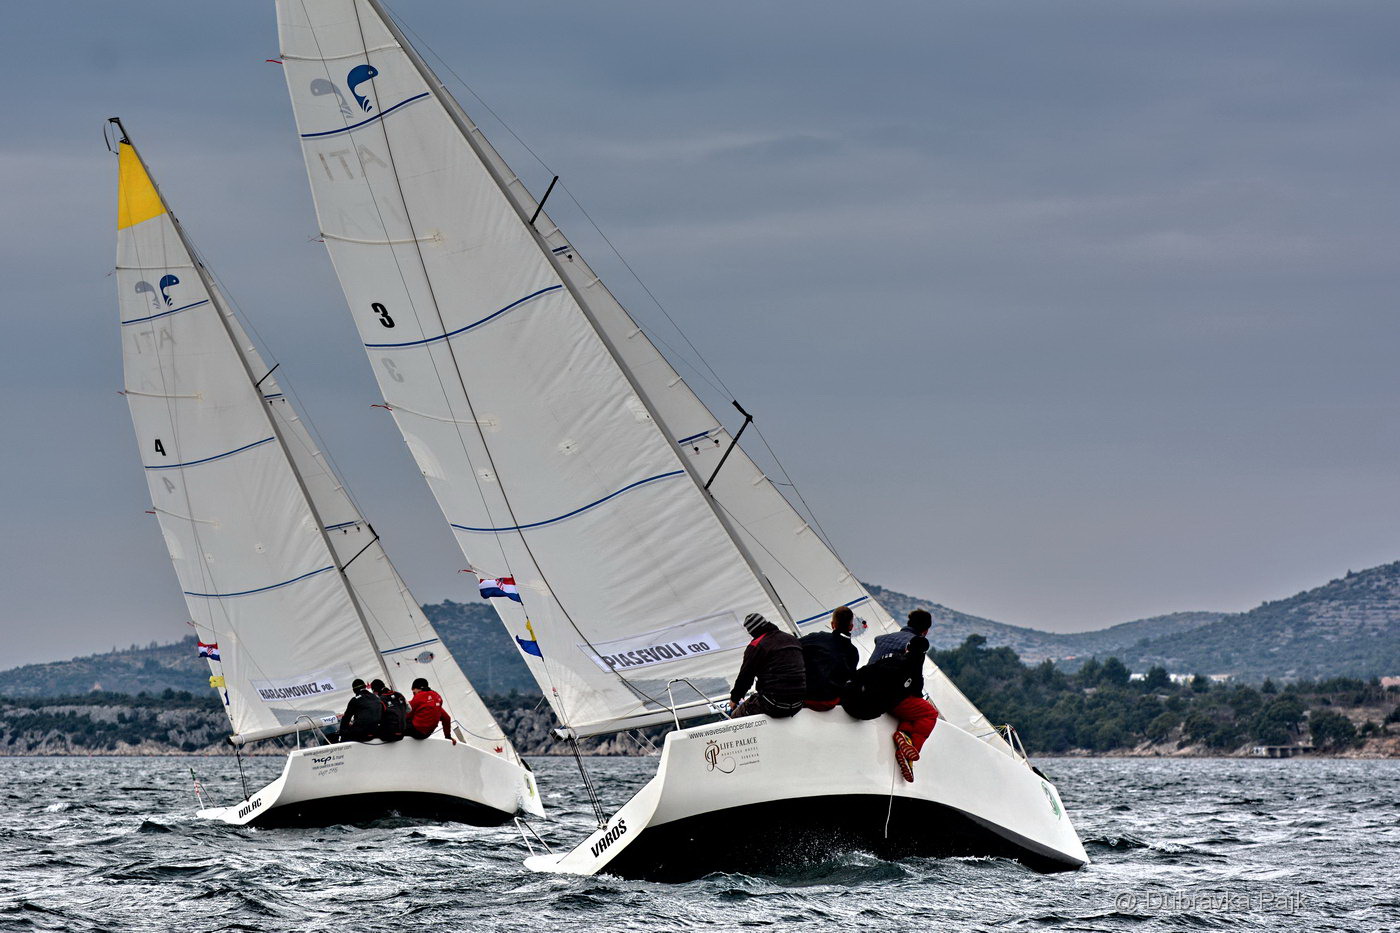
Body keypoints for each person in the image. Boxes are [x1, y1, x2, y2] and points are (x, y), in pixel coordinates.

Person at [841, 636, 940, 781]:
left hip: (867, 702)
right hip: (893, 704)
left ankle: (904, 735)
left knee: (912, 712)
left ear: (907, 647)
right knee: (929, 713)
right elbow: (917, 690)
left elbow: (864, 672)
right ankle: (911, 746)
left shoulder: (890, 658)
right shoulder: (915, 663)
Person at [728, 613, 806, 719]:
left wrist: (734, 699)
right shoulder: (792, 639)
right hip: (799, 703)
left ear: (751, 631)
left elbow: (745, 677)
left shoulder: (756, 646)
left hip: (773, 704)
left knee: (735, 716)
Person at [799, 606, 859, 711]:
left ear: (832, 624)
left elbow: (792, 646)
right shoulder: (853, 652)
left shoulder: (816, 638)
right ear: (851, 627)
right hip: (830, 701)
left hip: (805, 697)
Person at [406, 677, 457, 744]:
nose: (414, 695)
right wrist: (448, 736)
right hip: (427, 733)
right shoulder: (436, 697)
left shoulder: (419, 697)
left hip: (417, 732)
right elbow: (447, 718)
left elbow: (407, 715)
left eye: (414, 692)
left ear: (417, 688)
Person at [336, 678, 385, 743]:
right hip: (377, 732)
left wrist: (341, 734)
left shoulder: (355, 700)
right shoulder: (376, 697)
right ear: (365, 687)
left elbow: (346, 719)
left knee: (344, 733)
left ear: (354, 690)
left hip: (362, 734)